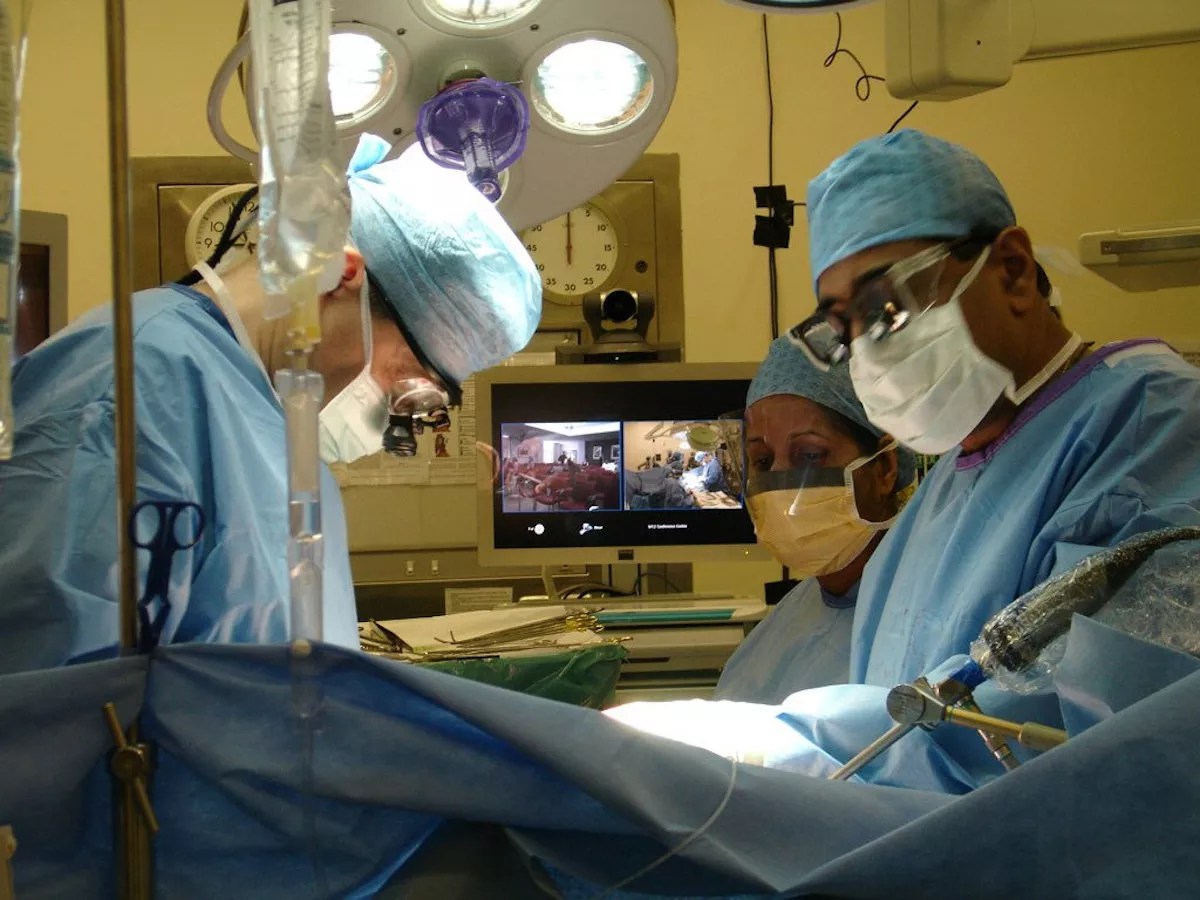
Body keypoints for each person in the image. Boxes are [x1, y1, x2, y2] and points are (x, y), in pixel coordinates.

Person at [609, 130, 1200, 791]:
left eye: (885, 308)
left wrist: (786, 749)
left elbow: (1091, 750)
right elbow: (898, 707)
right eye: (844, 328)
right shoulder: (952, 482)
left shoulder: (1152, 432)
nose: (867, 351)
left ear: (1011, 270)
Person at [0, 136, 540, 675]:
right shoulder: (128, 384)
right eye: (406, 377)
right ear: (339, 274)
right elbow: (48, 686)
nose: (391, 416)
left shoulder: (278, 430)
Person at [713, 335, 916, 703]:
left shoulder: (924, 617)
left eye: (808, 455)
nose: (778, 481)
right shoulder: (794, 615)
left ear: (884, 468)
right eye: (762, 461)